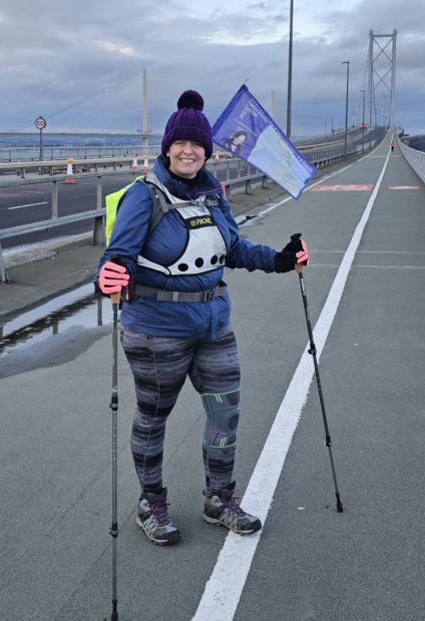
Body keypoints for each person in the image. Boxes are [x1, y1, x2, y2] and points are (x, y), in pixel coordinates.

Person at [97, 90, 309, 546]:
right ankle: (150, 504)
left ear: (208, 151)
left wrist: (279, 259)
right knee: (153, 418)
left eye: (197, 145)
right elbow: (117, 257)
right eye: (180, 144)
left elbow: (232, 249)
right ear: (167, 148)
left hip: (213, 324)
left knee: (225, 414)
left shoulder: (214, 195)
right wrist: (108, 277)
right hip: (156, 330)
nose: (189, 151)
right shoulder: (143, 196)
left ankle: (219, 499)